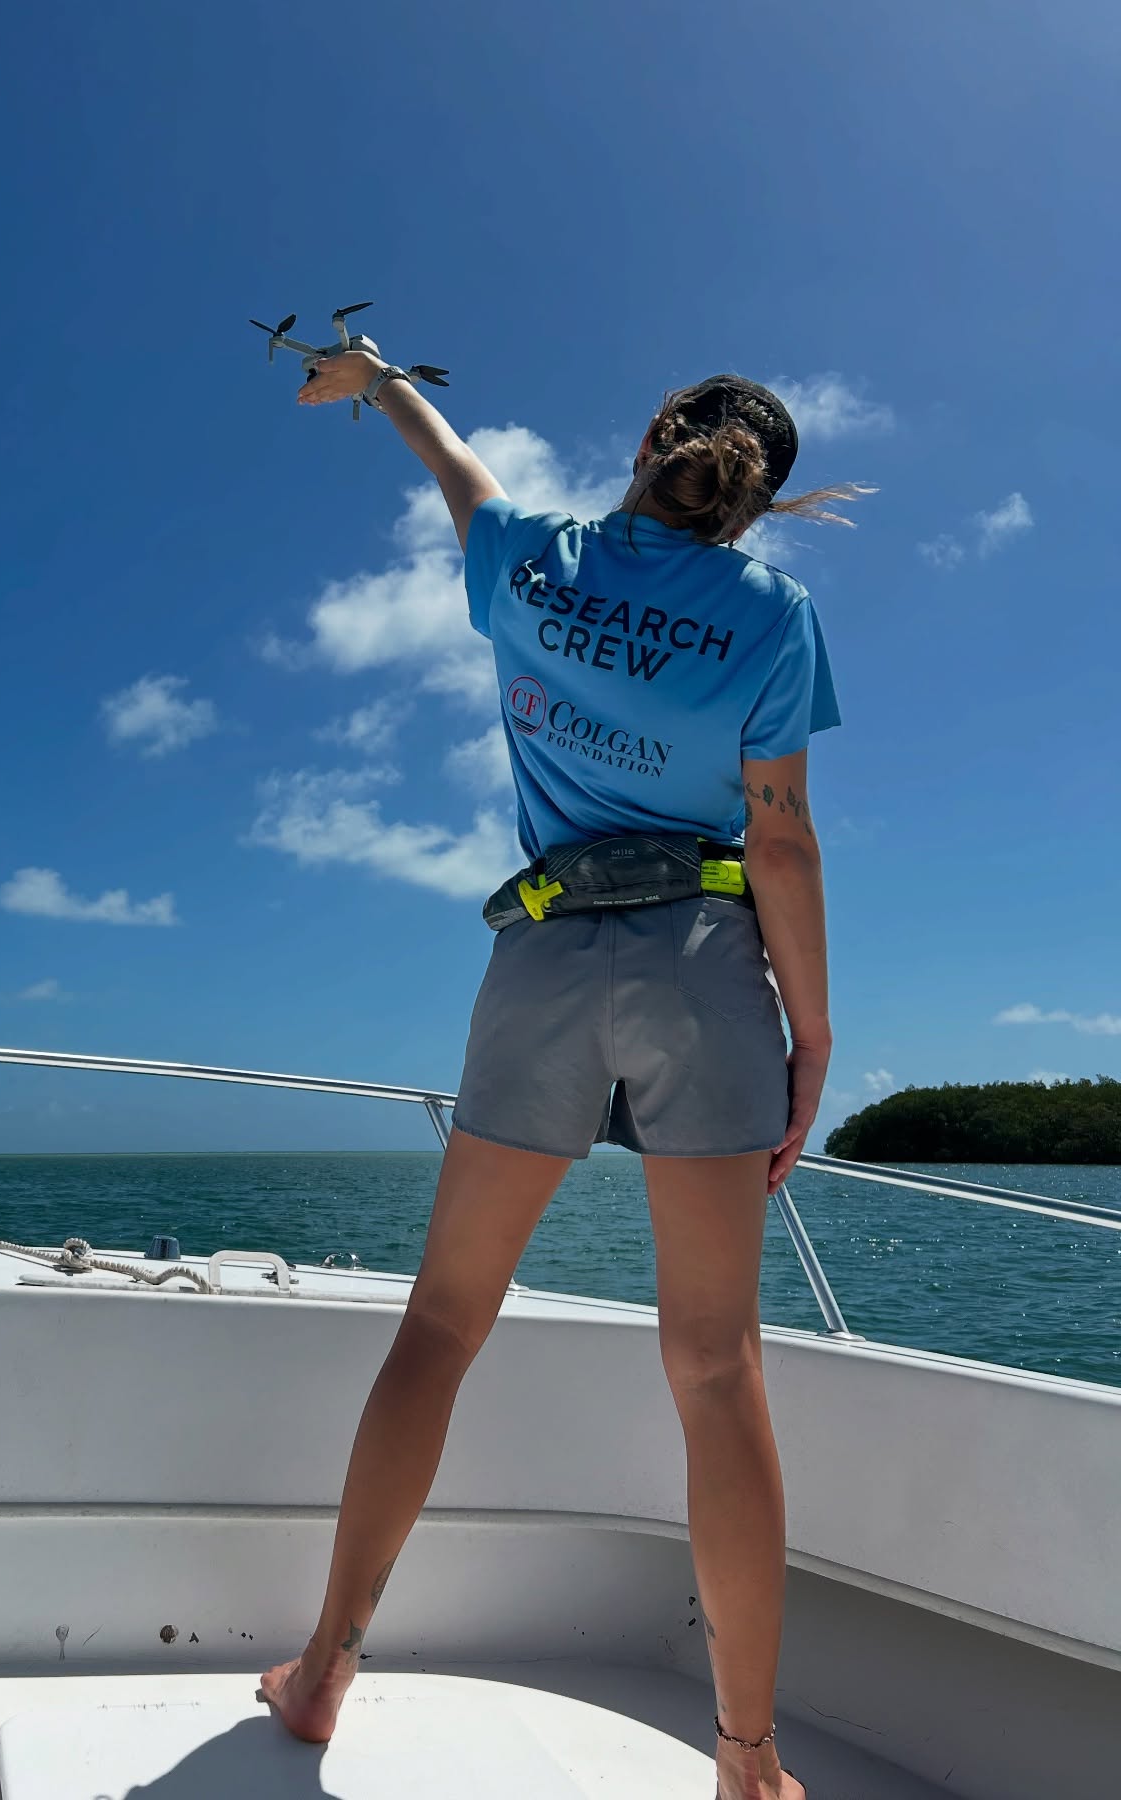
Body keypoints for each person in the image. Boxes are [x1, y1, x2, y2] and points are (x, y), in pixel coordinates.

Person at [261, 346, 868, 1800]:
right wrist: (815, 1036)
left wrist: (376, 379)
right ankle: (747, 1760)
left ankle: (324, 1675)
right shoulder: (775, 615)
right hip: (708, 968)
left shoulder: (528, 561)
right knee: (717, 1371)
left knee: (442, 1329)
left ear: (658, 439)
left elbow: (449, 463)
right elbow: (779, 840)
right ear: (759, 502)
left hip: (539, 959)